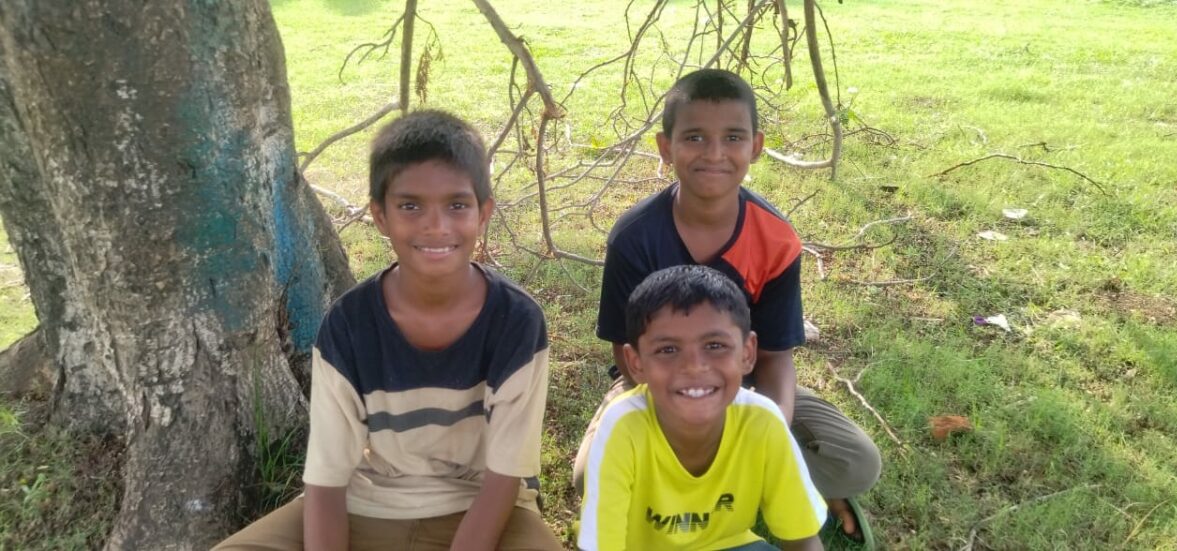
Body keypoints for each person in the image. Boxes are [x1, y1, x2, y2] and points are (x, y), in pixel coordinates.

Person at [215, 110, 561, 550]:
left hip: (482, 508)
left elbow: (503, 479)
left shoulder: (517, 321)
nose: (436, 225)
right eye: (410, 206)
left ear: (483, 212)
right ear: (380, 216)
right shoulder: (349, 325)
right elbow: (326, 480)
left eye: (457, 205)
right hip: (367, 503)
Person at [573, 69, 881, 544]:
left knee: (857, 461)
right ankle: (726, 488)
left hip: (742, 378)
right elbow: (626, 353)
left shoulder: (776, 239)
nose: (714, 153)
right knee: (589, 475)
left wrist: (763, 434)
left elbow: (776, 357)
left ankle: (767, 487)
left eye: (732, 137)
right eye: (694, 137)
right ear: (665, 147)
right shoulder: (634, 238)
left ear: (755, 146)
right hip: (657, 379)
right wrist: (685, 417)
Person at [578, 265, 826, 550]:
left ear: (747, 353)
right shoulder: (622, 428)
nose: (694, 367)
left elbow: (803, 540)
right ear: (636, 364)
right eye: (668, 350)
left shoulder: (763, 421)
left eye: (715, 345)